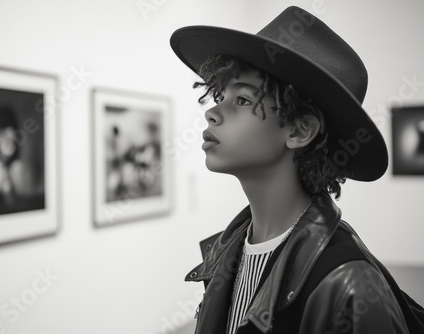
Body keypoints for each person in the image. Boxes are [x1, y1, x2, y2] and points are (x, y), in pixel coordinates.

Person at [170, 6, 424, 334]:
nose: (213, 113)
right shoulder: (228, 253)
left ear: (300, 130)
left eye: (243, 100)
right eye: (220, 96)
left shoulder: (349, 281)